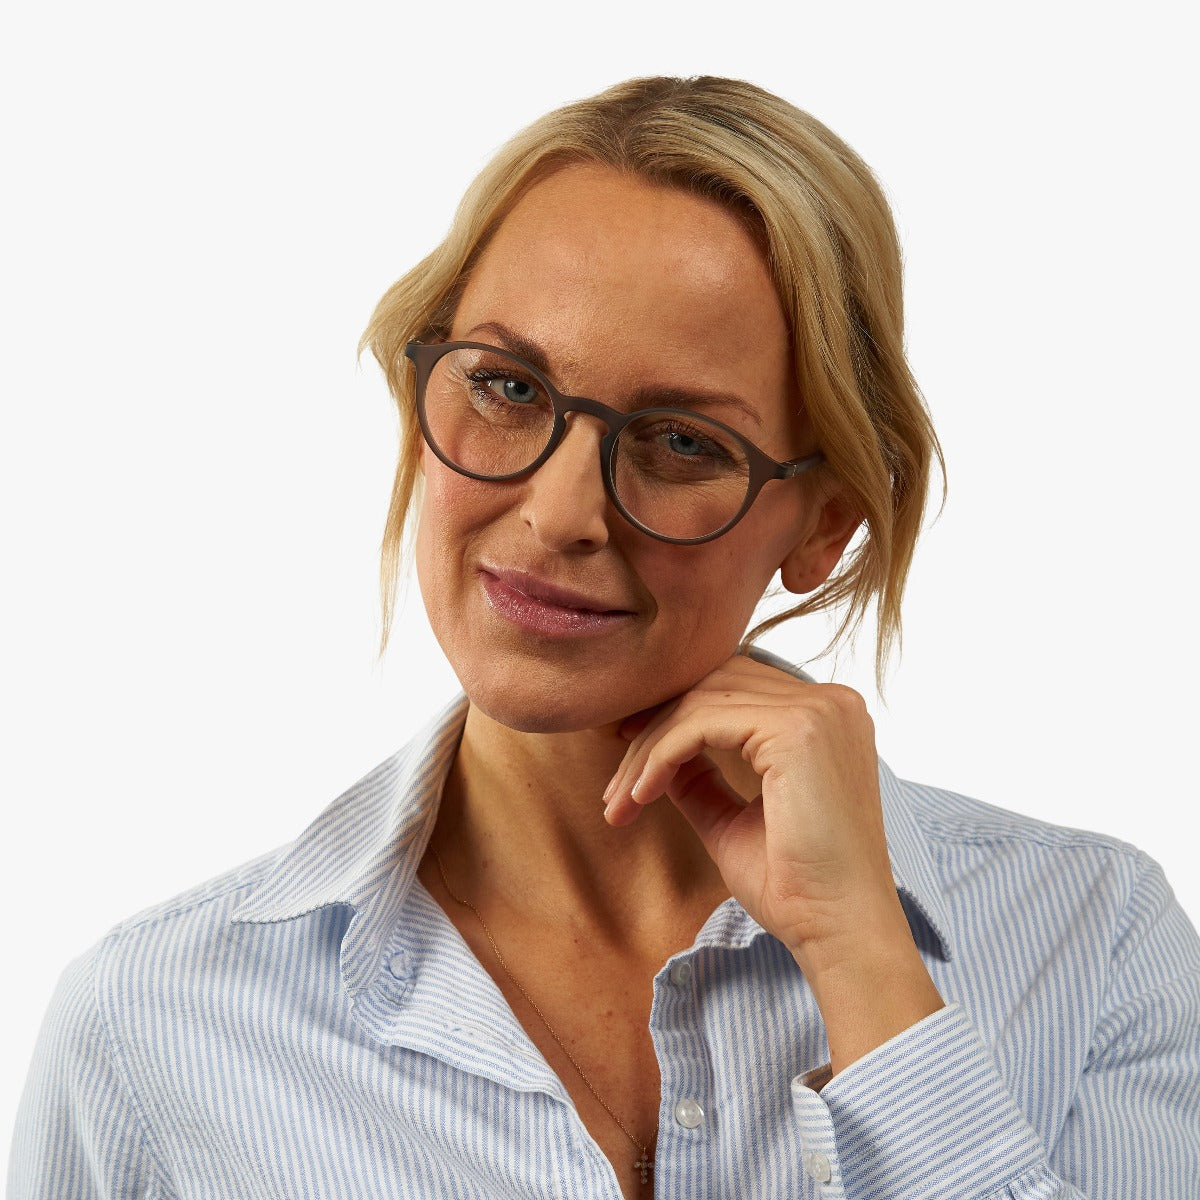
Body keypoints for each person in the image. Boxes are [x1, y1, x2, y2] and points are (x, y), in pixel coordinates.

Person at [9, 75, 1199, 1200]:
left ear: (823, 523)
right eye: (507, 387)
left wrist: (864, 963)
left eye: (683, 441)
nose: (561, 512)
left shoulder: (1089, 944)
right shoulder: (155, 1026)